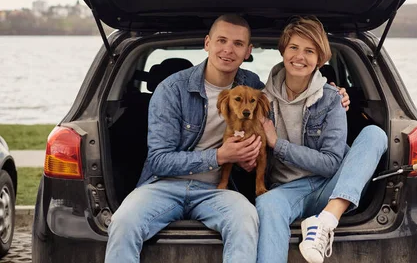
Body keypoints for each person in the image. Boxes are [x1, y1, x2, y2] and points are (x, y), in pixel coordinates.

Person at [105, 14, 349, 263]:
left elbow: (290, 92)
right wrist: (220, 156)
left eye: (238, 44)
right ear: (207, 43)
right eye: (221, 40)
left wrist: (333, 92)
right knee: (123, 221)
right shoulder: (171, 89)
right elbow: (158, 160)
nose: (228, 50)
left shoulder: (252, 86)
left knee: (247, 219)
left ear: (248, 51)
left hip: (217, 190)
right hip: (162, 186)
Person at [256, 17, 388, 263]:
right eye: (294, 47)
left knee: (375, 135)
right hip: (286, 190)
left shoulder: (331, 99)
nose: (299, 56)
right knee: (266, 204)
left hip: (332, 186)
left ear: (320, 59)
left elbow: (330, 163)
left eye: (309, 51)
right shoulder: (261, 100)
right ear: (283, 50)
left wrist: (277, 144)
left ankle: (325, 222)